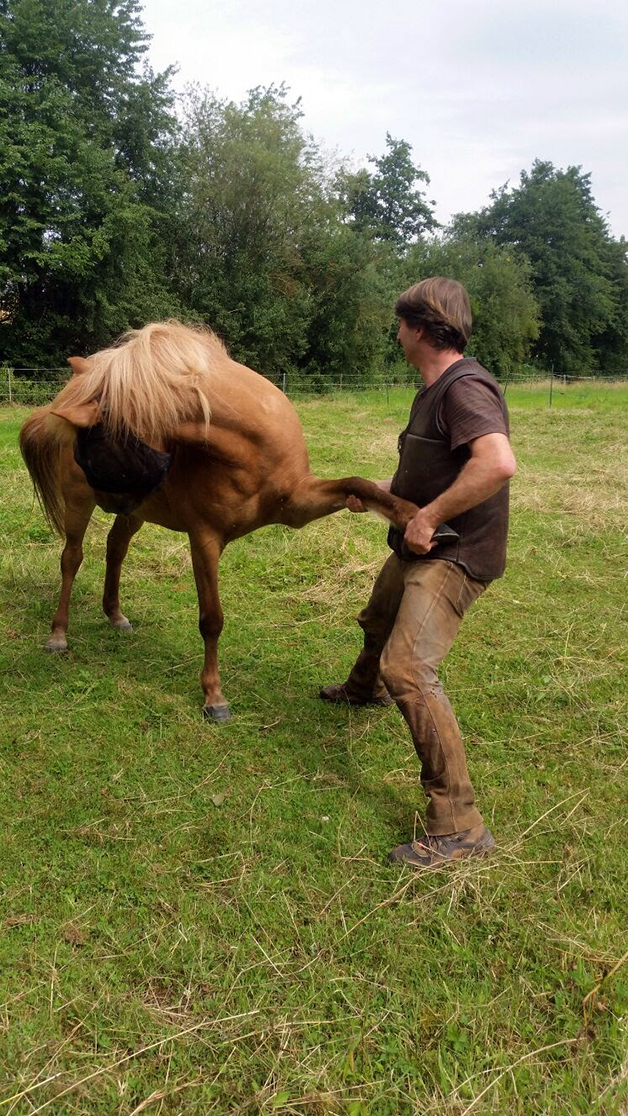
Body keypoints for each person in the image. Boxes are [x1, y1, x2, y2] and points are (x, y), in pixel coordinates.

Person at [320, 277, 516, 868]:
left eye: (402, 323)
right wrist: (373, 491)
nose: (396, 333)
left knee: (408, 666)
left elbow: (497, 462)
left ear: (424, 329)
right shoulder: (430, 390)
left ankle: (460, 825)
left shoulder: (464, 389)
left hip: (457, 553)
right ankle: (363, 690)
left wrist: (428, 517)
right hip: (422, 547)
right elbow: (427, 475)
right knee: (377, 616)